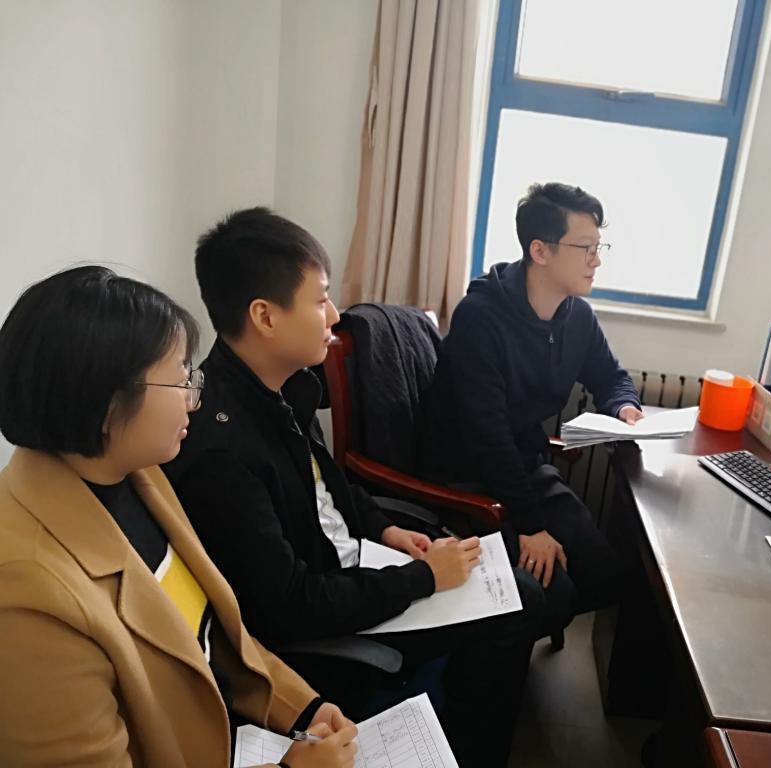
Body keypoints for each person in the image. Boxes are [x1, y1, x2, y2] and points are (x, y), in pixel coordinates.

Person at [163, 208, 544, 767]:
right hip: (325, 619)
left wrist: (386, 530)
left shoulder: (285, 384)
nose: (334, 315)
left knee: (523, 587)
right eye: (319, 299)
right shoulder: (221, 450)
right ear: (265, 316)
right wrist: (423, 578)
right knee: (522, 604)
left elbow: (329, 487)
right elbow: (288, 606)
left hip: (358, 566)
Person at [0, 266, 357, 768]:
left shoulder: (138, 474)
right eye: (181, 379)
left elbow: (213, 642)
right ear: (108, 405)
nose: (195, 398)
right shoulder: (28, 597)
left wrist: (303, 707)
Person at [418, 182, 642, 632]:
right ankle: (505, 643)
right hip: (466, 475)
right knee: (551, 589)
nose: (596, 261)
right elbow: (488, 436)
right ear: (540, 250)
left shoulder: (576, 316)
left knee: (606, 573)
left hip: (522, 467)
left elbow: (611, 376)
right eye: (585, 248)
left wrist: (624, 408)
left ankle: (525, 628)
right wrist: (531, 527)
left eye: (599, 248)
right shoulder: (480, 317)